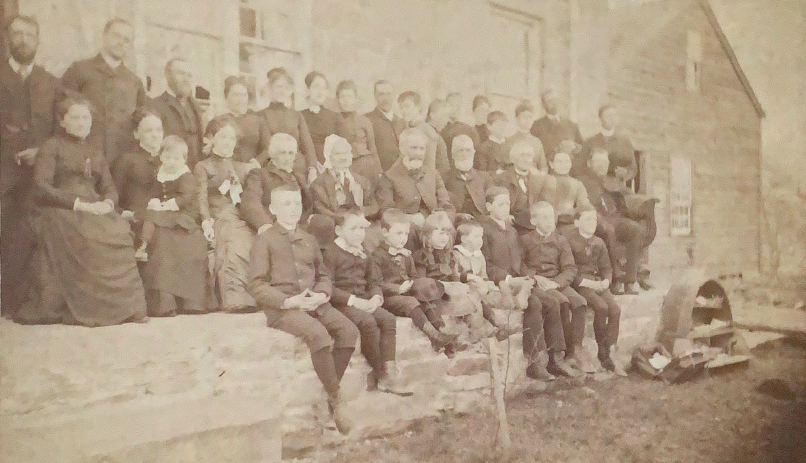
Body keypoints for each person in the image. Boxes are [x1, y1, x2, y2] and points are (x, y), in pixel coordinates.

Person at [16, 94, 148, 326]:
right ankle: (91, 309)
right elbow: (41, 187)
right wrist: (78, 204)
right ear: (62, 121)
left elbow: (108, 187)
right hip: (59, 208)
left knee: (118, 229)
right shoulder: (51, 146)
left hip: (93, 207)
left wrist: (107, 204)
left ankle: (126, 308)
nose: (81, 122)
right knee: (85, 234)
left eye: (86, 117)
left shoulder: (95, 150)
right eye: (75, 117)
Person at [248, 184, 358, 435]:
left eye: (297, 203)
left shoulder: (309, 239)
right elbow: (256, 285)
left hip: (314, 303)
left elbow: (324, 274)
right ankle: (337, 399)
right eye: (286, 204)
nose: (293, 209)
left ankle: (328, 394)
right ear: (273, 209)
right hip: (284, 308)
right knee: (318, 335)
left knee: (348, 331)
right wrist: (289, 301)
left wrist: (321, 294)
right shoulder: (264, 240)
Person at [0, 14, 60, 318]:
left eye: (29, 35)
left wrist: (42, 150)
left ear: (37, 41)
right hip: (3, 171)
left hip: (38, 171)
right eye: (17, 34)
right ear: (8, 39)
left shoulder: (51, 83)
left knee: (30, 232)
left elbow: (61, 125)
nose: (23, 40)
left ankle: (23, 301)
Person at [322, 207, 412, 396]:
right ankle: (382, 376)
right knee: (368, 322)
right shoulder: (330, 253)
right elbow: (328, 286)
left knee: (387, 319)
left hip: (364, 299)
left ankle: (390, 371)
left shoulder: (364, 252)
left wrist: (376, 297)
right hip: (343, 303)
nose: (359, 234)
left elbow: (373, 281)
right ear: (339, 231)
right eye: (353, 229)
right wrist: (354, 301)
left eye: (362, 229)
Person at [477, 187, 550, 380]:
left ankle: (552, 357)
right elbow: (486, 264)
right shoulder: (484, 230)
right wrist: (508, 279)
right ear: (489, 206)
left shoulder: (512, 230)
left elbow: (520, 261)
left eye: (507, 204)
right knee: (534, 304)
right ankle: (534, 361)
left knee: (551, 301)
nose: (505, 207)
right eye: (500, 204)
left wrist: (529, 276)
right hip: (499, 283)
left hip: (518, 281)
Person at [368, 209, 458, 355]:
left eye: (406, 234)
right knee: (410, 302)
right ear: (385, 233)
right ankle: (433, 336)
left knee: (427, 300)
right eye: (398, 233)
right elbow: (375, 283)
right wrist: (398, 288)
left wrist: (417, 286)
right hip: (389, 298)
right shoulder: (377, 256)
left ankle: (443, 335)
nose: (403, 238)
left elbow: (414, 276)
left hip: (407, 292)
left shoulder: (407, 255)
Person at [136, 135, 207, 316]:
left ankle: (144, 245)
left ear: (184, 159)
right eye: (168, 157)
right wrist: (154, 200)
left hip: (184, 215)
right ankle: (143, 245)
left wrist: (165, 205)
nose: (172, 162)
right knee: (149, 213)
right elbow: (155, 192)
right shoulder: (160, 174)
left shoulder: (186, 176)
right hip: (168, 213)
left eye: (177, 158)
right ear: (161, 157)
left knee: (155, 216)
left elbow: (186, 198)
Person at [60, 18, 146, 166]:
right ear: (105, 36)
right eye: (117, 36)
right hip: (84, 155)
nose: (121, 42)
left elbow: (141, 120)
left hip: (121, 158)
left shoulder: (134, 82)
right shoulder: (80, 70)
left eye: (126, 40)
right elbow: (60, 110)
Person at [521, 202, 592, 375]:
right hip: (539, 283)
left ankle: (574, 353)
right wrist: (534, 276)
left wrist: (558, 282)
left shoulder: (560, 240)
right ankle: (555, 357)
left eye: (551, 216)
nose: (549, 221)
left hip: (556, 282)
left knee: (580, 303)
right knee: (562, 303)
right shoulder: (525, 240)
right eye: (544, 217)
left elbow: (570, 268)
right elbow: (519, 265)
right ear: (533, 220)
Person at [194, 118, 257, 312]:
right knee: (236, 239)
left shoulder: (240, 167)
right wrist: (206, 222)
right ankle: (237, 297)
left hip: (240, 215)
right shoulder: (203, 167)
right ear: (211, 138)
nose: (228, 142)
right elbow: (201, 198)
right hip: (219, 216)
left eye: (232, 138)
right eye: (223, 137)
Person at [578, 148, 644, 295]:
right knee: (608, 230)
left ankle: (630, 280)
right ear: (589, 163)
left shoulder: (611, 181)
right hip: (595, 217)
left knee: (635, 229)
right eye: (598, 162)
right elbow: (584, 204)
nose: (602, 166)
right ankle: (616, 279)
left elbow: (622, 203)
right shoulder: (583, 181)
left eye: (605, 162)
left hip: (614, 217)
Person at [567, 210, 624, 374]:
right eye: (587, 219)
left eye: (594, 220)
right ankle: (602, 353)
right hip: (581, 284)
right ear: (577, 222)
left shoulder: (599, 242)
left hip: (598, 283)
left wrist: (606, 280)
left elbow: (606, 267)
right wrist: (587, 282)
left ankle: (607, 349)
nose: (592, 223)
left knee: (615, 310)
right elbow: (569, 270)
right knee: (600, 307)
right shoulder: (570, 242)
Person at [378, 128, 455, 233]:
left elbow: (447, 206)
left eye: (422, 149)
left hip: (435, 228)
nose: (418, 153)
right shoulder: (389, 177)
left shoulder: (433, 174)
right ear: (402, 148)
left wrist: (440, 220)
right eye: (414, 148)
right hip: (406, 231)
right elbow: (387, 212)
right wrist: (409, 219)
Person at [113, 108, 165, 258]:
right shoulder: (126, 161)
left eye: (159, 130)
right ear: (136, 134)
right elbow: (114, 198)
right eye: (149, 130)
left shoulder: (171, 160)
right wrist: (125, 214)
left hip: (164, 218)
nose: (155, 135)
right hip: (137, 221)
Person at [308, 135, 374, 247]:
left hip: (358, 225)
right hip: (336, 225)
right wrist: (344, 219)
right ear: (329, 156)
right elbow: (319, 208)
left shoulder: (361, 181)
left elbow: (373, 205)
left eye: (346, 153)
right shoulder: (319, 183)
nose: (343, 157)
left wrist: (360, 215)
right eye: (338, 154)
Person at [240, 133, 310, 234]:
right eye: (283, 153)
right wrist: (265, 224)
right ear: (273, 154)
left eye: (291, 153)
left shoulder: (298, 178)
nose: (287, 158)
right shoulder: (259, 175)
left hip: (298, 230)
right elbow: (251, 203)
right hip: (274, 228)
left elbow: (307, 207)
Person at [257, 67, 317, 183]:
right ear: (270, 88)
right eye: (279, 87)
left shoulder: (296, 115)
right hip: (273, 169)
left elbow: (308, 146)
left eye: (286, 87)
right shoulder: (262, 115)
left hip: (298, 169)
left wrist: (312, 168)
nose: (282, 91)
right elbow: (267, 146)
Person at [151, 58, 204, 168]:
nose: (186, 79)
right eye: (181, 74)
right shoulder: (155, 106)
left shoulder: (195, 107)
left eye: (189, 75)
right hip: (170, 172)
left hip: (195, 173)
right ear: (168, 75)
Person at [208, 76, 270, 166]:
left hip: (253, 170)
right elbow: (210, 150)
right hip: (227, 169)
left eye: (244, 95)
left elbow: (268, 147)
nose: (240, 99)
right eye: (235, 95)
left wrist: (257, 162)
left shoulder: (258, 120)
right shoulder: (217, 122)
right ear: (226, 97)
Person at [494, 141, 554, 234]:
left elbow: (546, 204)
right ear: (513, 159)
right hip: (511, 225)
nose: (526, 159)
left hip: (533, 227)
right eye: (522, 155)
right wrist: (505, 216)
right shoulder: (501, 179)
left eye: (529, 156)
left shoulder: (540, 180)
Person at [336, 80, 382, 188]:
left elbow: (372, 148)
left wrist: (379, 171)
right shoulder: (334, 121)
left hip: (365, 165)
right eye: (342, 97)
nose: (346, 100)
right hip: (344, 165)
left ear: (355, 99)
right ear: (338, 100)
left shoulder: (365, 121)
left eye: (349, 96)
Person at [397, 91, 450, 175]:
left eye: (407, 106)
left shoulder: (426, 131)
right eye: (401, 107)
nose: (403, 111)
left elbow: (429, 166)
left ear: (418, 107)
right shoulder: (407, 129)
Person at [580, 104, 637, 180]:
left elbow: (632, 167)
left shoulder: (624, 142)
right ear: (600, 118)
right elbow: (581, 166)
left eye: (614, 115)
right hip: (595, 183)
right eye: (608, 116)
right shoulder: (590, 142)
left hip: (616, 184)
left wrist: (626, 173)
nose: (612, 119)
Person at [443, 134, 493, 219]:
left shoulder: (484, 177)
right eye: (460, 150)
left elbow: (493, 200)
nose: (464, 154)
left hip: (482, 221)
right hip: (456, 221)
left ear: (473, 153)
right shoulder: (444, 178)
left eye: (468, 150)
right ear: (453, 154)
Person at [301, 71, 344, 166]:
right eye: (316, 87)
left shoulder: (335, 117)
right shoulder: (300, 116)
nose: (320, 92)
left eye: (323, 88)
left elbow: (341, 148)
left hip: (330, 166)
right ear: (308, 90)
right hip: (306, 165)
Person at [530, 89, 583, 164]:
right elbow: (534, 152)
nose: (554, 103)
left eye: (555, 100)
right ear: (543, 105)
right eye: (549, 101)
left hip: (569, 171)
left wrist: (574, 146)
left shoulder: (572, 125)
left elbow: (583, 149)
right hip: (548, 170)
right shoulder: (536, 126)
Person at [365, 79, 406, 172]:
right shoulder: (367, 120)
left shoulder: (402, 122)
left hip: (401, 176)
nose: (385, 98)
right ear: (375, 96)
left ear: (393, 95)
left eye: (388, 94)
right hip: (379, 175)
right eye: (381, 94)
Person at [548, 150, 594, 230]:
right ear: (552, 164)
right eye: (559, 162)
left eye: (566, 162)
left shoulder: (577, 184)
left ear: (570, 164)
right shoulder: (547, 181)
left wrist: (582, 211)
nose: (563, 165)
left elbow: (584, 204)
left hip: (571, 220)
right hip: (551, 220)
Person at [504, 101, 547, 173]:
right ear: (517, 119)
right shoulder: (509, 141)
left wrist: (541, 174)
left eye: (530, 117)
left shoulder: (537, 142)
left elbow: (543, 166)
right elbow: (506, 167)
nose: (528, 120)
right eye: (524, 117)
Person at [441, 92, 480, 157]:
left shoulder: (469, 130)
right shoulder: (441, 127)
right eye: (451, 105)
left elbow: (476, 152)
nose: (455, 109)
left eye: (458, 105)